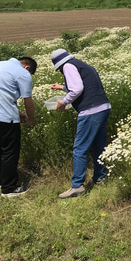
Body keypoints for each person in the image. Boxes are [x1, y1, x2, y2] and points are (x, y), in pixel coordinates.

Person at [50, 49, 111, 199]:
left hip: (90, 111)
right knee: (99, 146)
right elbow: (85, 85)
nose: (60, 71)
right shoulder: (82, 64)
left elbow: (77, 89)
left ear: (59, 64)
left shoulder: (68, 66)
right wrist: (62, 88)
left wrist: (63, 103)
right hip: (103, 107)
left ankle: (77, 186)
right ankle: (99, 178)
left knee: (80, 148)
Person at [0, 56, 37, 198]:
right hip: (4, 117)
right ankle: (9, 188)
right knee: (10, 150)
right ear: (27, 68)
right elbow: (28, 101)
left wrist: (17, 112)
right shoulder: (23, 73)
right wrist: (31, 120)